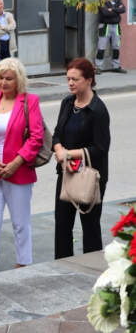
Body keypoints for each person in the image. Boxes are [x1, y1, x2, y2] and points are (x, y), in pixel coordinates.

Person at [0, 57, 43, 276]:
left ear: (19, 80)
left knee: (20, 222)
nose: (3, 83)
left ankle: (22, 264)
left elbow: (36, 137)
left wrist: (15, 163)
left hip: (19, 170)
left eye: (8, 79)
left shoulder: (30, 101)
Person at [52, 58, 110, 260]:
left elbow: (101, 148)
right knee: (62, 224)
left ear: (89, 80)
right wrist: (59, 150)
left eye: (75, 79)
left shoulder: (98, 110)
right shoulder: (67, 102)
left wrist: (68, 154)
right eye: (68, 78)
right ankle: (63, 266)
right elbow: (57, 134)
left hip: (90, 177)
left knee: (90, 226)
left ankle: (92, 269)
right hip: (67, 173)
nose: (70, 83)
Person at [94, 0, 127, 75]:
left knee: (116, 47)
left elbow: (123, 9)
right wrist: (117, 11)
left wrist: (112, 9)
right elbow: (105, 13)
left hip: (116, 26)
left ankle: (115, 66)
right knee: (101, 47)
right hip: (105, 26)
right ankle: (98, 67)